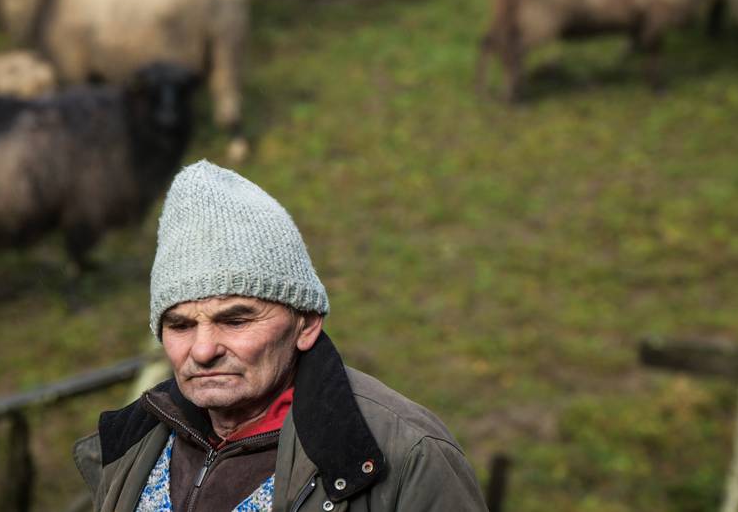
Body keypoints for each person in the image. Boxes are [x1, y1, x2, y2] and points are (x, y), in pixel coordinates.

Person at [74, 160, 489, 512]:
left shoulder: (406, 455)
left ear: (305, 324)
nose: (202, 350)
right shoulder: (134, 440)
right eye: (180, 325)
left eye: (235, 321)